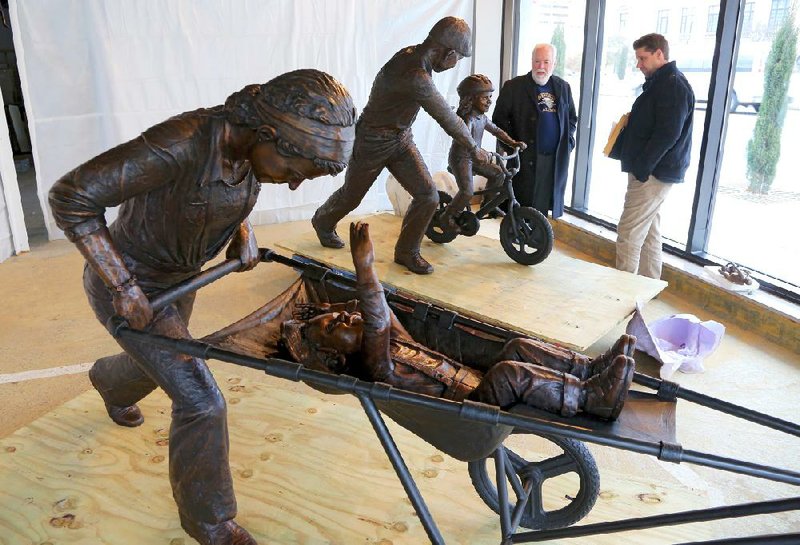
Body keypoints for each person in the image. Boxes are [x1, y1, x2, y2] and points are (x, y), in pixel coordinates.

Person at [48, 69, 357, 545]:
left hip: (179, 281)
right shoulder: (180, 143)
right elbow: (71, 196)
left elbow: (227, 194)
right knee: (201, 402)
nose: (293, 186)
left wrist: (243, 231)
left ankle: (110, 381)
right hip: (133, 288)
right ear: (267, 134)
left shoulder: (249, 147)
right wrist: (123, 283)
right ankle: (210, 522)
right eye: (295, 173)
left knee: (159, 366)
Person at [282, 222, 636, 421]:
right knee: (508, 373)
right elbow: (374, 322)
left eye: (340, 316)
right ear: (336, 358)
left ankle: (587, 369)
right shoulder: (377, 366)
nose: (345, 317)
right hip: (468, 406)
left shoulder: (392, 339)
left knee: (516, 346)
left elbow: (379, 309)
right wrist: (365, 269)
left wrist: (344, 297)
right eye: (334, 327)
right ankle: (592, 397)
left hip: (473, 382)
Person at [311, 16, 491, 275]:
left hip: (400, 138)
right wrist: (474, 148)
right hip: (372, 140)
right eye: (458, 59)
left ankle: (407, 251)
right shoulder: (414, 74)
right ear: (449, 52)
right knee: (352, 196)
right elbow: (446, 117)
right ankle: (323, 220)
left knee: (428, 196)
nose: (455, 64)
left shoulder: (417, 57)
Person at [615, 33, 694, 279]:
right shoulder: (663, 82)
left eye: (643, 58)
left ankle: (621, 295)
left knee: (629, 233)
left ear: (660, 54)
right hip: (651, 170)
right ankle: (650, 284)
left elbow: (668, 134)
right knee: (650, 232)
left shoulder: (673, 85)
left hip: (653, 173)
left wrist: (642, 168)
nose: (639, 64)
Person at [492, 43, 577, 218]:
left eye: (546, 62)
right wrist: (511, 146)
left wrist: (568, 142)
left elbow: (572, 118)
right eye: (537, 61)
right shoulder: (514, 86)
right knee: (523, 199)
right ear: (531, 61)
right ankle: (517, 235)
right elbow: (499, 120)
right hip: (525, 156)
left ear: (554, 63)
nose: (541, 67)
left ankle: (538, 236)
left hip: (554, 157)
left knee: (544, 201)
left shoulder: (563, 87)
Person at [439, 74, 526, 230]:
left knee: (498, 174)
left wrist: (513, 143)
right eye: (485, 98)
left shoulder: (481, 118)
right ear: (471, 99)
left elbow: (497, 131)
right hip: (461, 159)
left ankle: (488, 204)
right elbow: (465, 140)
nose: (490, 101)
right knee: (467, 192)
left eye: (490, 97)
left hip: (475, 158)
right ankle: (447, 217)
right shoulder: (467, 120)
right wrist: (478, 151)